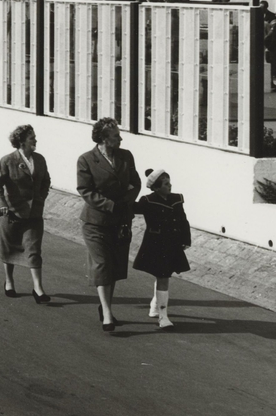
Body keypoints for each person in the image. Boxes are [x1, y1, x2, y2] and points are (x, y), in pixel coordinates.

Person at [76, 117, 141, 331]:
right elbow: (85, 190)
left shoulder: (126, 156)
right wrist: (111, 205)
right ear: (104, 138)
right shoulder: (86, 160)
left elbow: (135, 183)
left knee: (113, 266)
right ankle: (106, 313)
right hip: (96, 222)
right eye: (116, 136)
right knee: (103, 264)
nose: (120, 139)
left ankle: (106, 308)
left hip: (120, 221)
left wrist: (126, 202)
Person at [0, 124, 52, 302]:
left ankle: (38, 289)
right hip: (11, 213)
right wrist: (1, 204)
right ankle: (9, 281)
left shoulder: (39, 159)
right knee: (9, 248)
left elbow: (46, 180)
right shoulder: (7, 161)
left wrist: (41, 197)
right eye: (32, 138)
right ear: (22, 141)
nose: (35, 140)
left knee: (34, 249)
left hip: (34, 214)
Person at [133, 168, 191, 330]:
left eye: (169, 182)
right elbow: (131, 208)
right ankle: (163, 317)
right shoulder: (148, 200)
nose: (170, 186)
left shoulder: (176, 199)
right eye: (166, 184)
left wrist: (186, 239)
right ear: (156, 187)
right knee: (163, 276)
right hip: (156, 244)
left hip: (173, 243)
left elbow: (183, 220)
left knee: (164, 275)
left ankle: (154, 306)